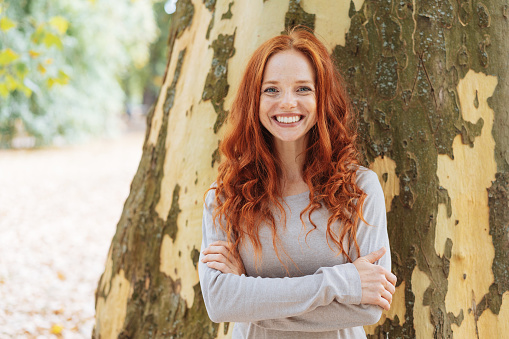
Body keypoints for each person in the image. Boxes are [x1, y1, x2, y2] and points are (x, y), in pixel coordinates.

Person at [198, 28, 397, 338]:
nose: (288, 103)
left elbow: (369, 307)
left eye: (303, 89)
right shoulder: (225, 195)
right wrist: (342, 282)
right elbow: (219, 302)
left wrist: (249, 298)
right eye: (272, 90)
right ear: (254, 100)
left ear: (322, 97)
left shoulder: (360, 188)